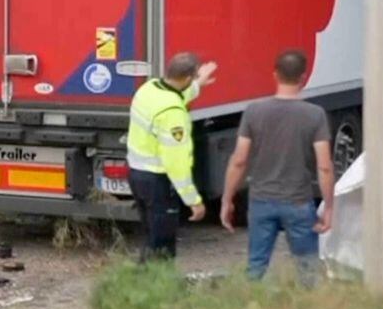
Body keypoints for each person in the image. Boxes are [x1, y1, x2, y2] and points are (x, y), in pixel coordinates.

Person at [220, 49, 335, 284]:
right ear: (303, 78)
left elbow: (239, 160)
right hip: (299, 202)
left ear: (275, 75)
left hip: (261, 200)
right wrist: (329, 207)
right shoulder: (315, 115)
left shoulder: (254, 111)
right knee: (308, 271)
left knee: (256, 268)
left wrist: (227, 199)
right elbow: (324, 166)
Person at [126, 52, 217, 259]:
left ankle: (139, 286)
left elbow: (177, 94)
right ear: (186, 79)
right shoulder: (173, 113)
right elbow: (176, 163)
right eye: (193, 79)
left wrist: (198, 83)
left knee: (151, 238)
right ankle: (156, 288)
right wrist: (193, 200)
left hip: (137, 175)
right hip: (157, 182)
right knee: (162, 246)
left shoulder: (148, 89)